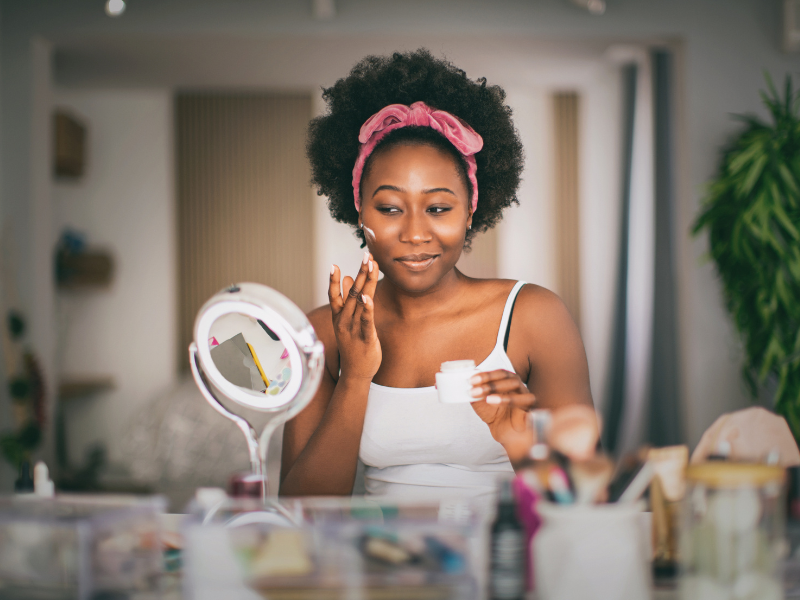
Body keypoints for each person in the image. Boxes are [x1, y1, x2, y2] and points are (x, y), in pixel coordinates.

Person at [280, 49, 593, 501]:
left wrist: (519, 442)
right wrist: (355, 377)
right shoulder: (325, 333)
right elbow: (299, 510)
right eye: (388, 208)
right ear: (358, 209)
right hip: (380, 566)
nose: (413, 233)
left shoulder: (534, 317)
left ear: (470, 211)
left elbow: (586, 502)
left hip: (502, 563)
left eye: (439, 208)